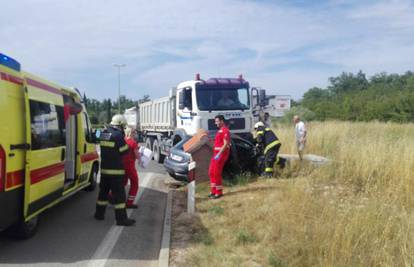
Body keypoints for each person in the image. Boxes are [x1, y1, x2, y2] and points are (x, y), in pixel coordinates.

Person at [94, 114, 135, 226]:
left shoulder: (102, 133)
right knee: (119, 197)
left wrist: (100, 130)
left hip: (104, 170)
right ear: (120, 125)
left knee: (103, 194)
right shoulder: (118, 136)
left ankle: (99, 214)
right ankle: (121, 220)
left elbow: (94, 135)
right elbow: (124, 151)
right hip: (116, 172)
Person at [208, 115, 231, 199]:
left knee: (216, 173)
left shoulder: (225, 130)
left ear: (222, 121)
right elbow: (219, 142)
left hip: (221, 154)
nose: (215, 123)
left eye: (217, 121)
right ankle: (213, 191)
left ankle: (219, 192)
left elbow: (226, 144)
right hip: (216, 154)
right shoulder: (220, 130)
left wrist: (219, 154)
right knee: (211, 172)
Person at [122, 127, 140, 209]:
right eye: (134, 132)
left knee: (122, 183)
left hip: (122, 165)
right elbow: (137, 156)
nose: (135, 134)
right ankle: (129, 202)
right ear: (131, 133)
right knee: (135, 183)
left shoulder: (123, 140)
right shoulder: (133, 143)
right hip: (130, 166)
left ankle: (111, 195)